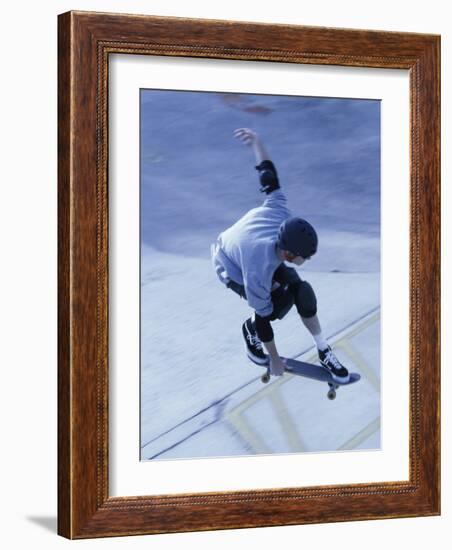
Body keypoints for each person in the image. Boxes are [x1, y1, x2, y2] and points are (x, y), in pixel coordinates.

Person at [211, 128, 349, 382]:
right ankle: (247, 329)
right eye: (303, 257)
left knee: (301, 289)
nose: (305, 261)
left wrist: (257, 141)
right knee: (273, 305)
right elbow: (266, 320)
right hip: (229, 264)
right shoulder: (258, 270)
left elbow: (267, 174)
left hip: (250, 244)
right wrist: (273, 358)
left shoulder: (279, 208)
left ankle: (323, 349)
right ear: (288, 253)